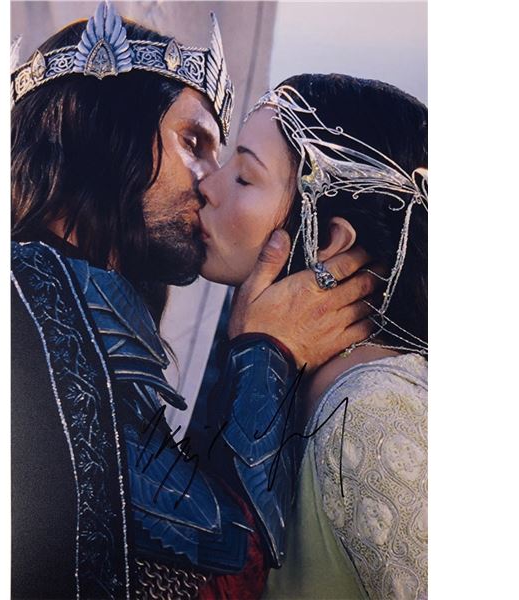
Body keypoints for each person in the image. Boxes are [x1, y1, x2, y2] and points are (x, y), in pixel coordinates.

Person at [10, 3, 378, 598]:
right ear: (95, 125)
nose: (210, 181)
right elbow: (219, 567)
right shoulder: (21, 293)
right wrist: (267, 351)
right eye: (194, 142)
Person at [197, 73, 428, 599]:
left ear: (328, 241)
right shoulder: (303, 388)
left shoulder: (372, 412)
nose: (207, 185)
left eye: (244, 177)